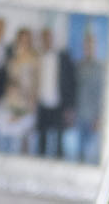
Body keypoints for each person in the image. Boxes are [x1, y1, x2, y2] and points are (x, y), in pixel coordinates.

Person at [35, 26, 75, 157]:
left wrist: (69, 107)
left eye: (49, 38)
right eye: (44, 39)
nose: (47, 41)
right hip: (42, 104)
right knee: (41, 140)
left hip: (59, 104)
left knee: (59, 143)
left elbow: (71, 83)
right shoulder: (37, 56)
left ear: (53, 40)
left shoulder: (64, 57)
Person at [72, 26, 107, 164]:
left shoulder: (100, 69)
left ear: (95, 47)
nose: (88, 48)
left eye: (91, 45)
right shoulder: (78, 66)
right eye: (86, 45)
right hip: (78, 116)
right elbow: (74, 91)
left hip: (93, 119)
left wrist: (99, 118)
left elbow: (102, 95)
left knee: (91, 156)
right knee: (78, 154)